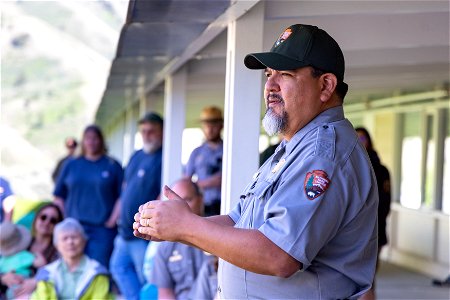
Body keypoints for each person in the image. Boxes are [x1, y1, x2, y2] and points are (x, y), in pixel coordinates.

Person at [134, 24, 379, 299]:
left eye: (285, 74)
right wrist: (179, 225)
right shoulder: (292, 146)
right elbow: (239, 221)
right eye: (268, 74)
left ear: (325, 86)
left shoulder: (323, 154)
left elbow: (279, 256)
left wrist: (187, 226)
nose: (270, 86)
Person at [110, 112, 163, 300]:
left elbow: (164, 194)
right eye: (144, 131)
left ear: (162, 132)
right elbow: (125, 188)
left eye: (152, 131)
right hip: (124, 231)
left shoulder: (164, 157)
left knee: (146, 278)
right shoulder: (136, 156)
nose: (147, 135)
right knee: (118, 267)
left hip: (143, 234)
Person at [53, 125, 123, 269]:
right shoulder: (71, 164)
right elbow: (58, 196)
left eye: (95, 138)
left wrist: (112, 219)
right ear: (83, 141)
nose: (91, 142)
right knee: (71, 268)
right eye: (88, 139)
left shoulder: (112, 165)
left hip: (102, 229)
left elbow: (123, 196)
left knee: (98, 270)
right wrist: (65, 219)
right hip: (74, 227)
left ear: (101, 141)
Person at [148, 179, 210, 299]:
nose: (182, 207)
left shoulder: (218, 234)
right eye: (176, 203)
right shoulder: (164, 246)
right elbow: (165, 294)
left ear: (201, 199)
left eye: (187, 200)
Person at [31, 218, 113, 299]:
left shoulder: (97, 272)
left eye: (74, 237)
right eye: (64, 238)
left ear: (84, 241)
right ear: (57, 246)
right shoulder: (46, 274)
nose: (70, 242)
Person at [356, 127, 391, 300]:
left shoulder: (381, 169)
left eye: (363, 138)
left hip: (375, 230)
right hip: (352, 231)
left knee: (368, 277)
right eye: (357, 139)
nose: (361, 142)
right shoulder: (348, 164)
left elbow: (386, 202)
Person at [0, 203, 63, 298]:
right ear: (36, 219)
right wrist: (3, 278)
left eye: (53, 220)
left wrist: (38, 280)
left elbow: (61, 277)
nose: (47, 222)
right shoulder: (20, 243)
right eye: (43, 217)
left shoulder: (58, 251)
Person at [185, 106, 223, 216]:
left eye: (214, 125)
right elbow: (187, 183)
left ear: (221, 126)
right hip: (203, 207)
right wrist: (209, 182)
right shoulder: (196, 153)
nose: (210, 130)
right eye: (207, 126)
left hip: (227, 205)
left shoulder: (229, 150)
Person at [0, 222, 45, 299]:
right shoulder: (24, 255)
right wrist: (40, 259)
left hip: (10, 290)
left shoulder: (2, 260)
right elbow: (39, 263)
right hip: (25, 281)